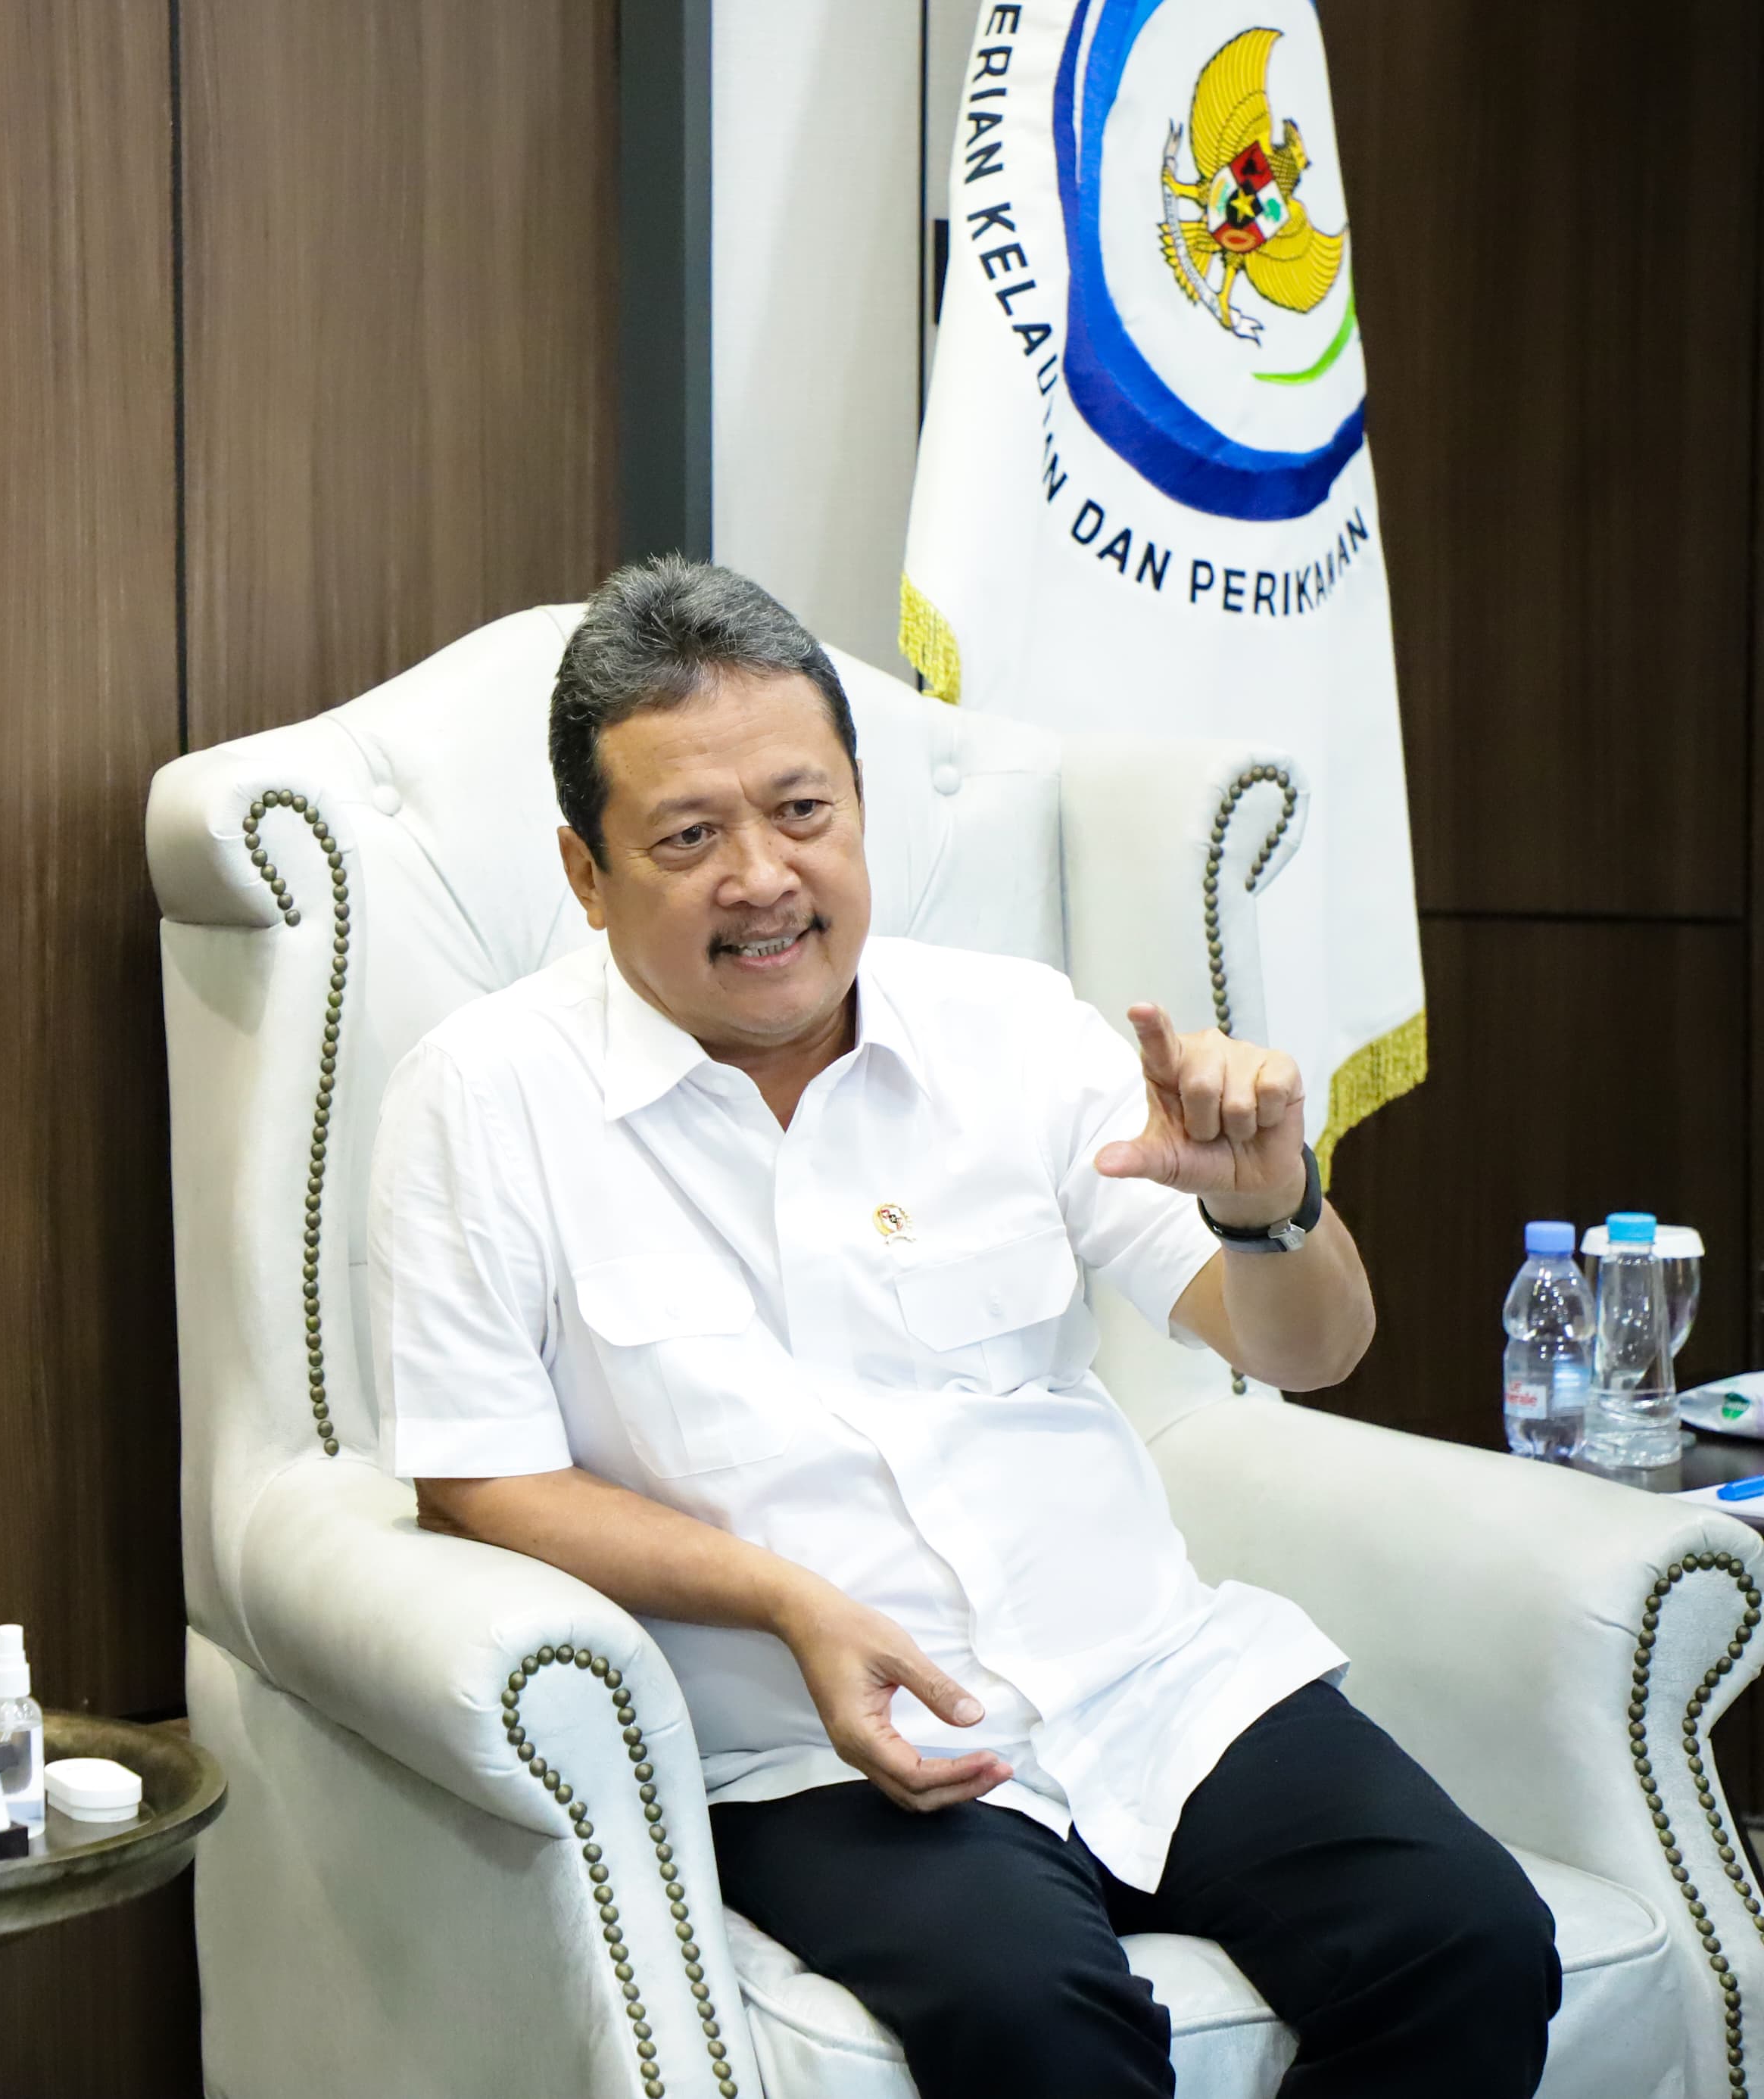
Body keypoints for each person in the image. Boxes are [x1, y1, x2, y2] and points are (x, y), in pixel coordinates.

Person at [370, 556, 1557, 2097]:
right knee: (1033, 2030)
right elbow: (474, 1477)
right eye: (686, 836)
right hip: (816, 1742)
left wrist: (1269, 1208)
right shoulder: (485, 1096)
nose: (761, 877)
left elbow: (1305, 1349)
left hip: (1147, 1676)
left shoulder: (1014, 1031)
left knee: (1466, 1941)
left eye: (801, 811)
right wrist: (785, 1599)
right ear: (585, 876)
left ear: (860, 811)